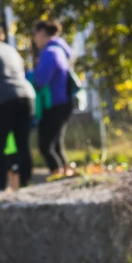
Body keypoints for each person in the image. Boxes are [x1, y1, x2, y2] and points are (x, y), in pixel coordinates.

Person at [0, 17, 35, 191]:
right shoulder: (8, 48)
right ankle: (26, 185)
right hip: (27, 95)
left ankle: (1, 189)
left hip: (3, 99)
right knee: (22, 144)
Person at [30, 18, 75, 177]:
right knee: (56, 145)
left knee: (45, 146)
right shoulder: (60, 49)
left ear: (42, 33)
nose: (34, 39)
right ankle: (66, 176)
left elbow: (41, 80)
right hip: (63, 103)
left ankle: (58, 178)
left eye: (35, 34)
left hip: (54, 104)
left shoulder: (49, 53)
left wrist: (29, 76)